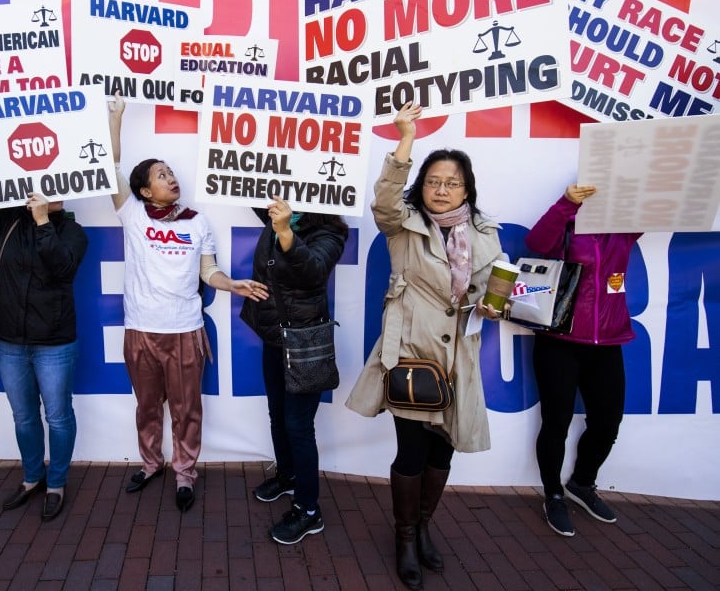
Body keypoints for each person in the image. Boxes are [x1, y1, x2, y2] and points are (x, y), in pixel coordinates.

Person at [346, 103, 503, 591]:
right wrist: (406, 139)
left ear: (466, 188)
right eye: (434, 181)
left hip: (458, 357)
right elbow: (385, 200)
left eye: (451, 183)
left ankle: (426, 526)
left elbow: (484, 292)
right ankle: (405, 539)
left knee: (443, 453)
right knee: (411, 452)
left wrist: (492, 305)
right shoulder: (404, 223)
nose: (441, 189)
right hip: (412, 353)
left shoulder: (484, 234)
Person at [107, 94, 268, 512]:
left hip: (184, 331)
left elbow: (207, 272)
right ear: (145, 189)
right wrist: (116, 118)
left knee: (186, 409)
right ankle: (150, 463)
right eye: (161, 175)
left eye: (172, 173)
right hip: (141, 329)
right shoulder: (133, 214)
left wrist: (230, 284)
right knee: (147, 406)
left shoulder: (196, 221)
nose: (171, 178)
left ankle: (184, 473)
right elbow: (110, 167)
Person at [526, 185, 642, 537]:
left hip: (608, 340)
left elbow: (669, 203)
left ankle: (582, 483)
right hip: (559, 340)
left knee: (608, 422)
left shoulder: (625, 227)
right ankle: (553, 495)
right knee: (556, 423)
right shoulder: (567, 222)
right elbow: (536, 244)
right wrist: (566, 203)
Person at [240, 197, 348, 545]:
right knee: (277, 414)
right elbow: (249, 182)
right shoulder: (277, 214)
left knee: (298, 425)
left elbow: (312, 272)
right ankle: (287, 476)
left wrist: (284, 229)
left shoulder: (330, 231)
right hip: (274, 337)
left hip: (304, 343)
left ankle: (309, 510)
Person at [0, 193, 87, 521]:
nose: (49, 195)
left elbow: (62, 267)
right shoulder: (8, 222)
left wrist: (43, 221)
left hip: (54, 344)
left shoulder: (74, 232)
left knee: (57, 417)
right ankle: (32, 478)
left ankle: (55, 483)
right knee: (24, 417)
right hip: (11, 342)